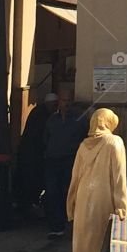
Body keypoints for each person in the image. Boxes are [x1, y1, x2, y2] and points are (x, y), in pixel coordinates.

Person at [66, 107, 127, 252]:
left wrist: (71, 203)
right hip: (105, 197)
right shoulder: (114, 142)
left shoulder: (84, 145)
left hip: (84, 198)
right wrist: (122, 205)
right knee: (113, 236)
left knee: (86, 239)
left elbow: (75, 177)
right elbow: (119, 178)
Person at [43, 87, 85, 238]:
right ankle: (56, 226)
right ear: (58, 102)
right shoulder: (52, 120)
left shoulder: (79, 120)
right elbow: (45, 139)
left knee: (68, 192)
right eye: (63, 100)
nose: (66, 104)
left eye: (68, 101)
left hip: (70, 159)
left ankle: (71, 223)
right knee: (52, 192)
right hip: (53, 160)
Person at [13, 91, 56, 212]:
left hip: (30, 152)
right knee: (30, 180)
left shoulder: (38, 112)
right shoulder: (42, 115)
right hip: (32, 154)